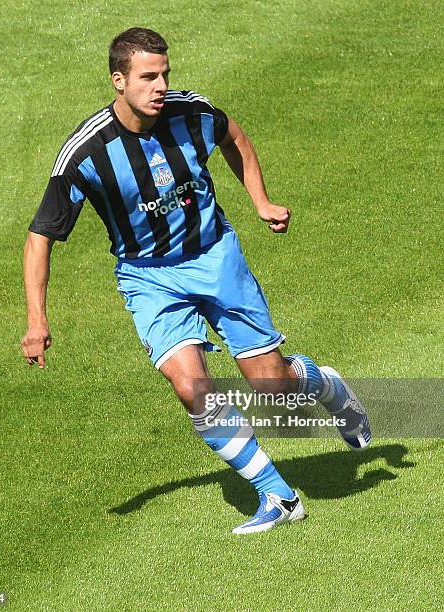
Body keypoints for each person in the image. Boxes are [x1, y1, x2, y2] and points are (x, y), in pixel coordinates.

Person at [22, 27, 371, 534]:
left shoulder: (192, 113)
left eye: (165, 73)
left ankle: (326, 385)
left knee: (272, 387)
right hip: (148, 277)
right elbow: (40, 237)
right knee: (192, 388)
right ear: (118, 80)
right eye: (147, 77)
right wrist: (37, 320)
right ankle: (278, 495)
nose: (160, 85)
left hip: (214, 257)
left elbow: (234, 136)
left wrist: (260, 200)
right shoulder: (85, 154)